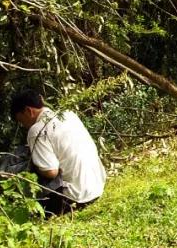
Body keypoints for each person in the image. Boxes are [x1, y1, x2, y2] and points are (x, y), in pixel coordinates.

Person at [10, 89, 106, 217]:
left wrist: (31, 166)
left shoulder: (37, 130)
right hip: (97, 187)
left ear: (28, 111)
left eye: (21, 121)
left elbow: (51, 172)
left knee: (35, 168)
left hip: (76, 197)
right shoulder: (68, 114)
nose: (23, 125)